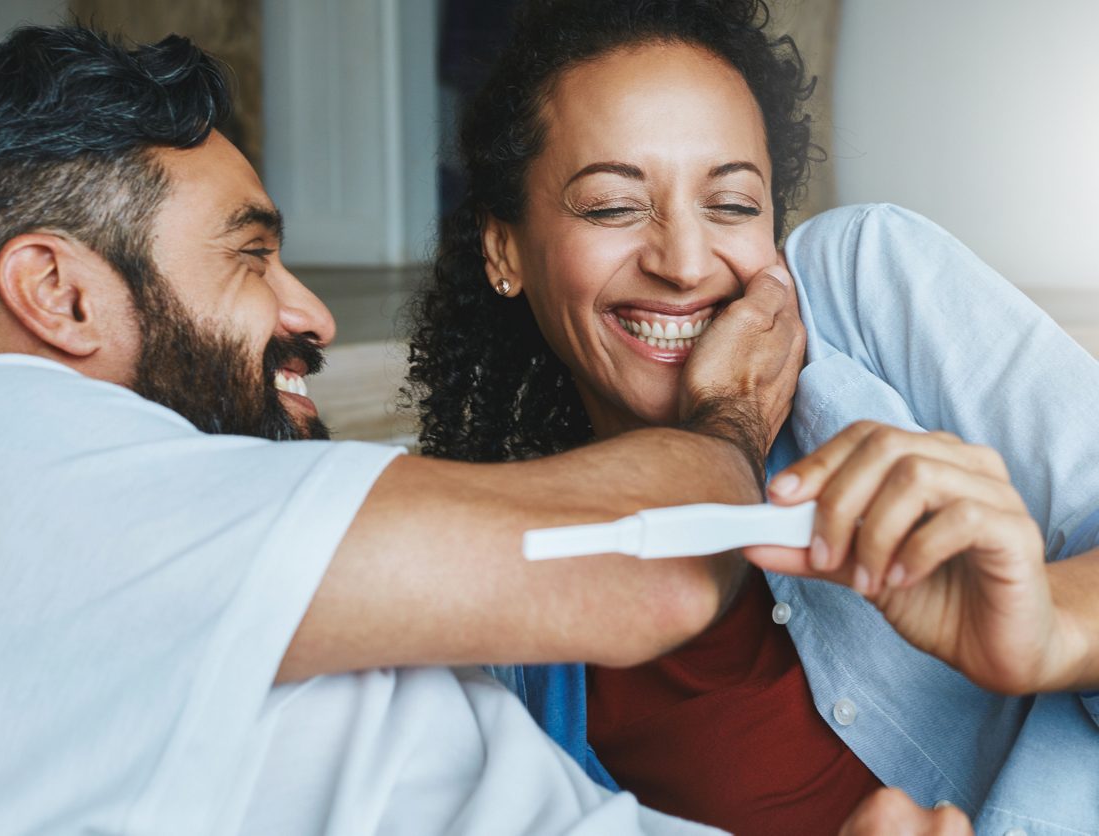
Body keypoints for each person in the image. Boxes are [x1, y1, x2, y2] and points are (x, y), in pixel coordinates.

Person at [0, 22, 938, 836]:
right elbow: (648, 571)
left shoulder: (115, 532)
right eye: (251, 255)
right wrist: (731, 411)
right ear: (59, 294)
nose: (307, 311)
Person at [405, 0, 1099, 833]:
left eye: (732, 205)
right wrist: (721, 424)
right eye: (613, 207)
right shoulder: (514, 608)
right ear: (505, 250)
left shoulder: (861, 287)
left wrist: (1050, 628)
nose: (687, 262)